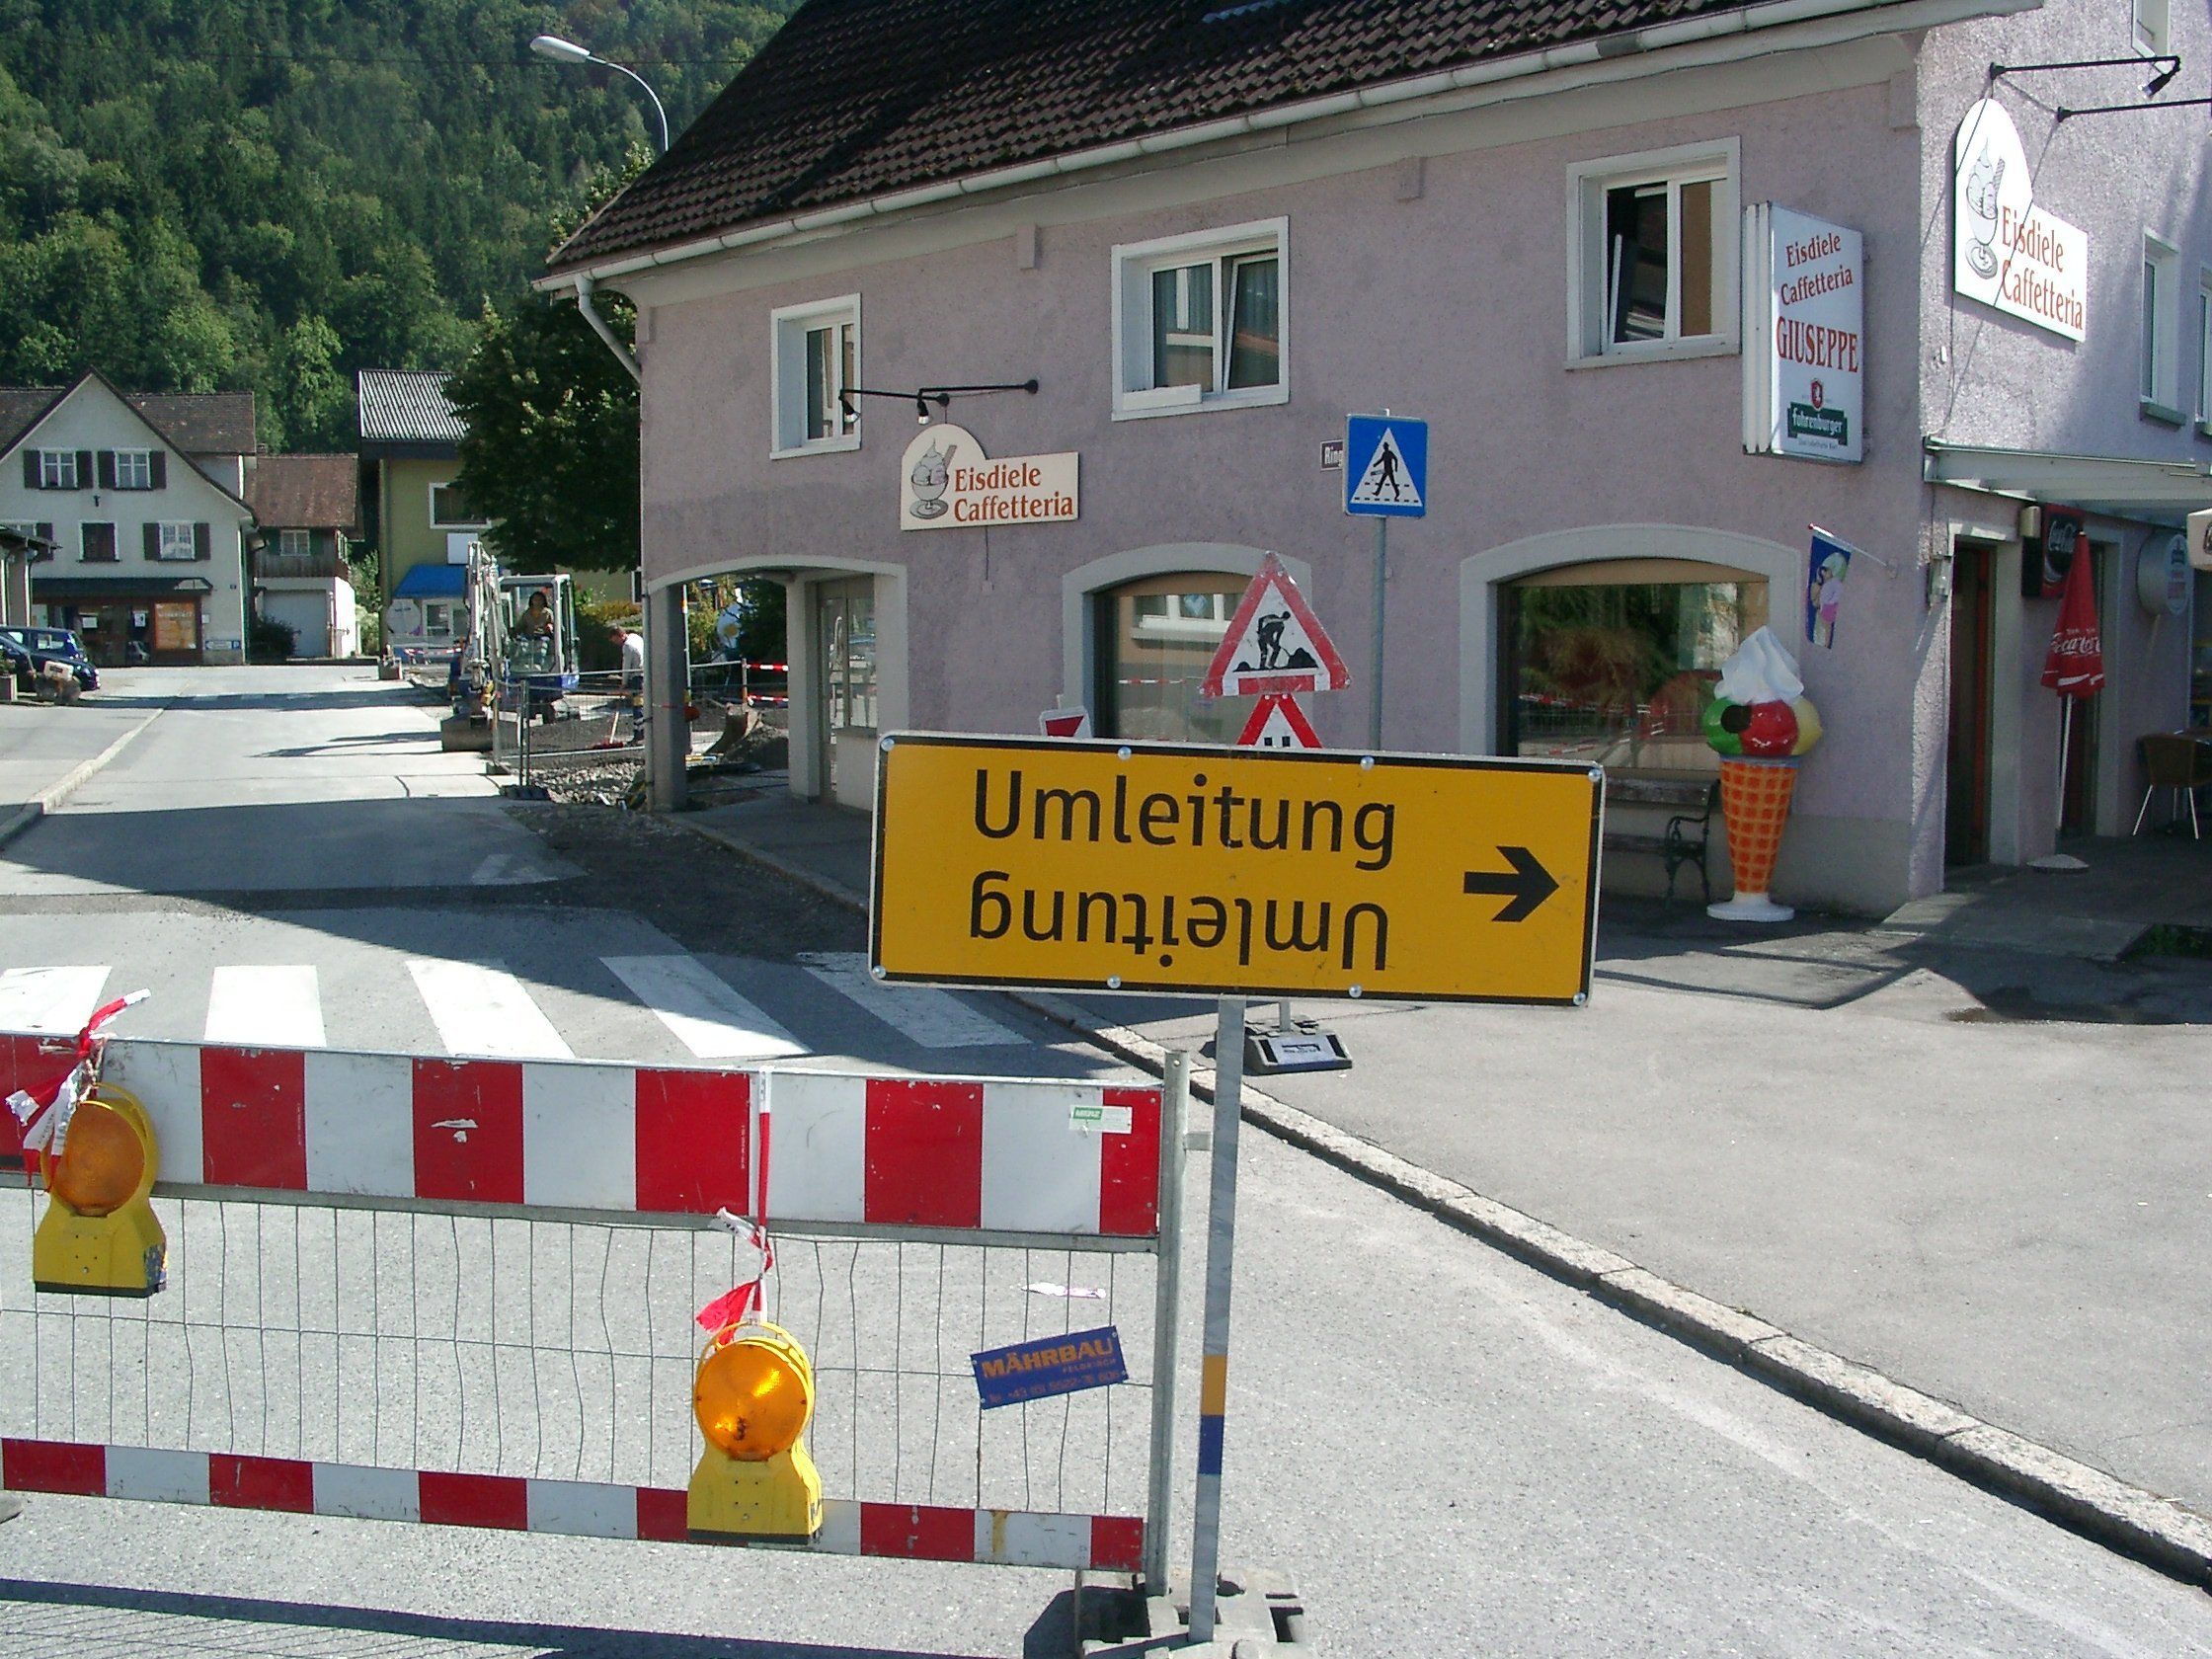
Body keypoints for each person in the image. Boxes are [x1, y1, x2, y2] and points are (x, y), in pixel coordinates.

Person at [615, 624, 646, 741]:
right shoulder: (635, 637)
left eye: (615, 640)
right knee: (641, 704)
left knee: (638, 706)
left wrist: (623, 683)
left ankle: (639, 734)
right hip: (645, 674)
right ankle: (642, 732)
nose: (616, 643)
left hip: (637, 678)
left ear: (620, 635)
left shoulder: (627, 646)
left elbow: (626, 666)